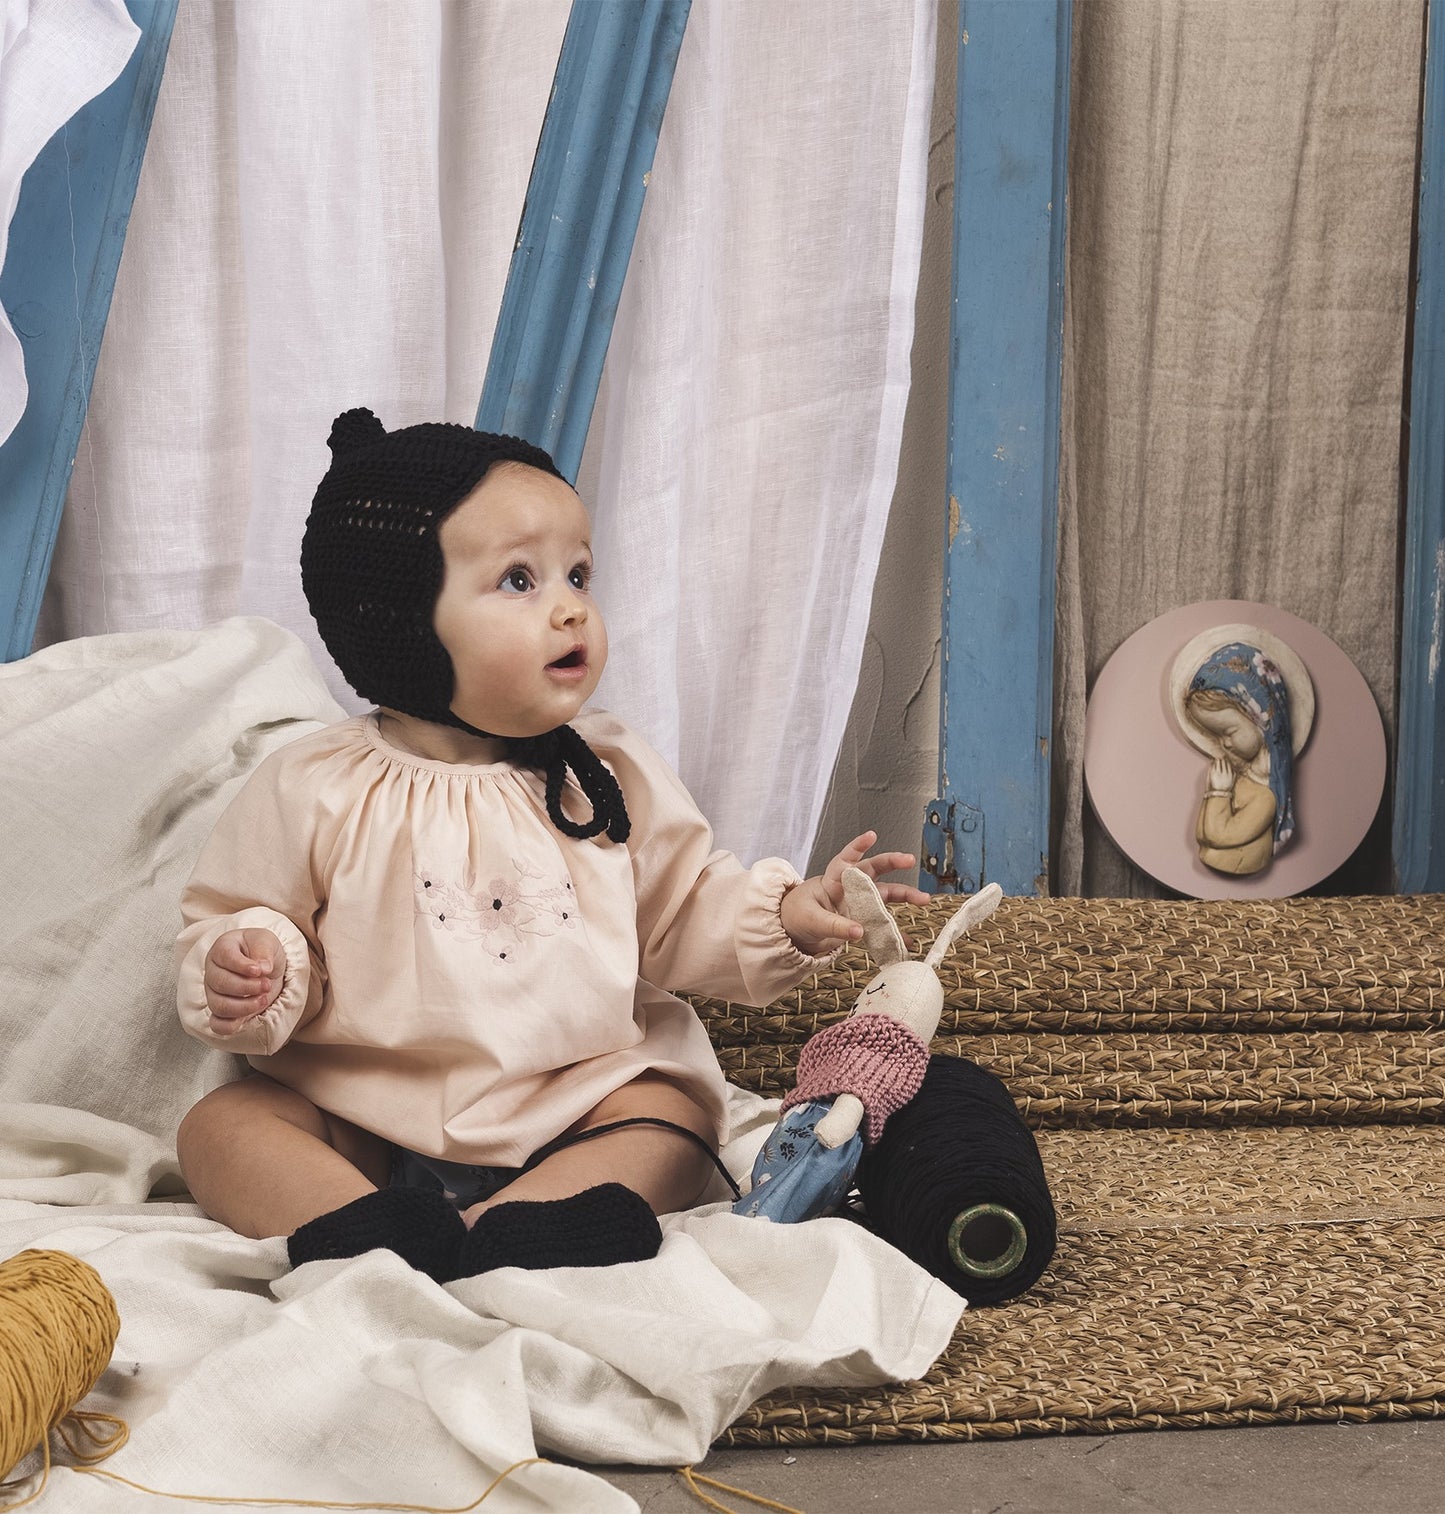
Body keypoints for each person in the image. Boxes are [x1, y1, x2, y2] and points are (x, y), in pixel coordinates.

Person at [174, 408, 929, 1284]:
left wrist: (792, 913)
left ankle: (508, 1227)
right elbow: (242, 914)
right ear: (399, 620)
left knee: (673, 1122)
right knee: (222, 1126)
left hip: (577, 1103)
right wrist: (252, 962)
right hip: (366, 1115)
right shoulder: (317, 785)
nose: (571, 607)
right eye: (519, 581)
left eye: (577, 573)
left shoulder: (600, 775)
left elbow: (681, 907)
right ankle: (361, 1225)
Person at [1182, 641, 1296, 876]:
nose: (1223, 743)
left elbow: (1218, 835)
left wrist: (1219, 793)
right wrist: (1216, 790)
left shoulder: (1266, 797)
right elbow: (1202, 836)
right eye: (1215, 734)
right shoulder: (1244, 780)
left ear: (1261, 720)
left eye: (1228, 732)